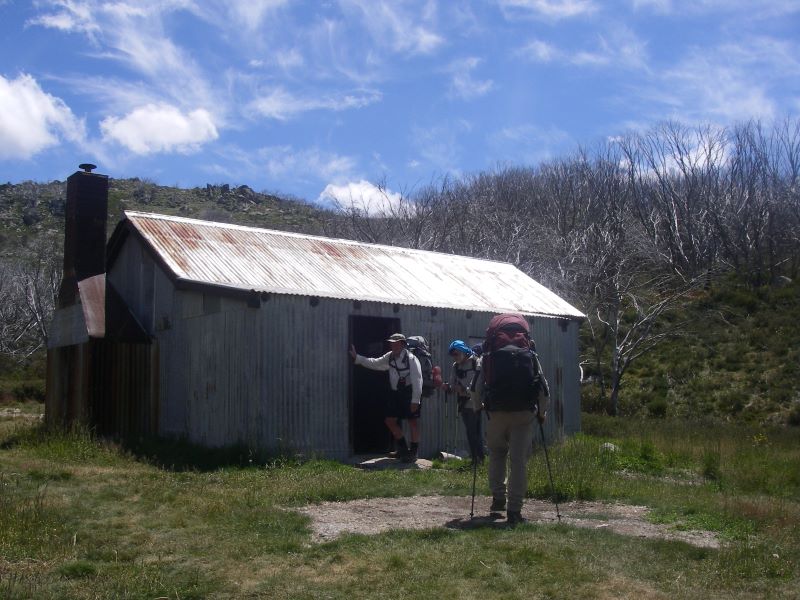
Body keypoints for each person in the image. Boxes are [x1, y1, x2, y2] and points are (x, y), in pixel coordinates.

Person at [478, 314, 549, 526]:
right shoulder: (531, 355)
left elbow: (476, 387)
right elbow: (544, 389)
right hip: (524, 414)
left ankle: (498, 499)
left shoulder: (489, 355)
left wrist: (477, 407)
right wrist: (542, 413)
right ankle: (514, 511)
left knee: (497, 454)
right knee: (518, 461)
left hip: (496, 413)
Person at [350, 333, 423, 462]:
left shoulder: (411, 358)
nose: (393, 345)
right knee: (390, 421)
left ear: (402, 343)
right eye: (392, 343)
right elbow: (376, 363)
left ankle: (413, 453)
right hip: (395, 393)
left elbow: (418, 380)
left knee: (412, 422)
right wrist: (358, 358)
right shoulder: (389, 356)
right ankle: (403, 450)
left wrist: (415, 400)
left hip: (410, 392)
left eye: (396, 343)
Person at [441, 340, 484, 464]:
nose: (455, 357)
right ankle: (478, 459)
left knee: (472, 431)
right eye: (453, 354)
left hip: (475, 402)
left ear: (464, 351)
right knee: (474, 431)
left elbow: (479, 385)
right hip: (464, 403)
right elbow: (453, 385)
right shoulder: (456, 366)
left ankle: (476, 460)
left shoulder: (476, 362)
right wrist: (448, 387)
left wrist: (463, 389)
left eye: (456, 353)